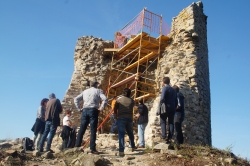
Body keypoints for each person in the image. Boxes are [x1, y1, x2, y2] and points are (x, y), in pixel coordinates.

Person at [74, 81, 108, 154]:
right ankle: (92, 148)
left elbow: (76, 99)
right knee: (93, 130)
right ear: (96, 85)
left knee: (82, 129)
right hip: (93, 110)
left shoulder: (85, 91)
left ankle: (77, 146)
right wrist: (101, 108)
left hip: (85, 110)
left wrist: (79, 109)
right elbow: (105, 99)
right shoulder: (98, 91)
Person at [114, 88, 136, 156]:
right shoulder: (132, 100)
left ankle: (121, 151)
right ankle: (132, 146)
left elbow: (115, 108)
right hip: (129, 118)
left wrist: (115, 115)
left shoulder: (119, 100)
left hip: (121, 118)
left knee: (121, 134)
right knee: (130, 133)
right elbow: (133, 107)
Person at [159, 77, 177, 144]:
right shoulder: (174, 90)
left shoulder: (165, 88)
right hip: (173, 107)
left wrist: (160, 105)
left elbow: (162, 98)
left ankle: (164, 136)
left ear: (163, 82)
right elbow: (176, 101)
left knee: (163, 121)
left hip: (166, 106)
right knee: (171, 122)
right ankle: (170, 137)